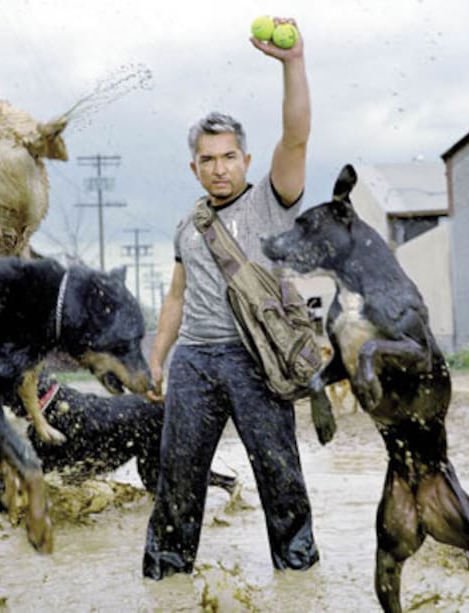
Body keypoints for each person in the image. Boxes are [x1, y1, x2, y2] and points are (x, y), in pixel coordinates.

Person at [142, 17, 318, 580]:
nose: (219, 168)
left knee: (279, 472)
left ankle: (297, 575)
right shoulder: (186, 225)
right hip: (194, 360)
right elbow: (176, 294)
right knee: (178, 475)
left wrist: (292, 64)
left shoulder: (272, 201)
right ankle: (167, 577)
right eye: (208, 159)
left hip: (255, 358)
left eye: (229, 156)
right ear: (193, 166)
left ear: (244, 159)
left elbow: (295, 137)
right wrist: (159, 355)